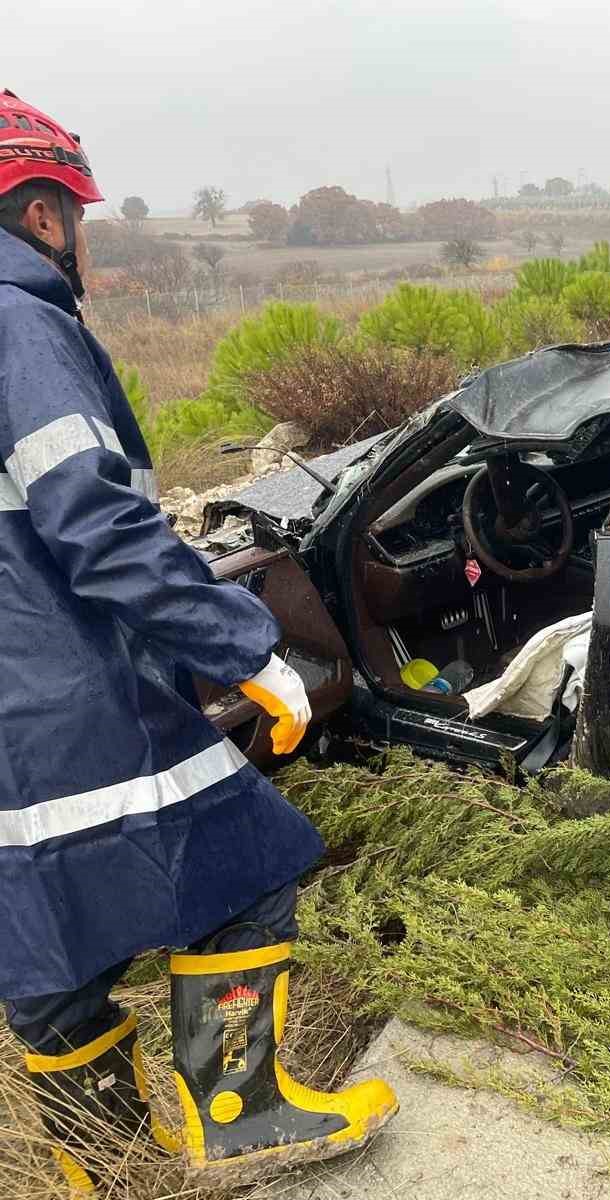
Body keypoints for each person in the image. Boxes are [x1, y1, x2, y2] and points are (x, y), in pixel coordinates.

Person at [0, 89, 396, 1194]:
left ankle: (95, 1163)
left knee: (43, 935)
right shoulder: (17, 321)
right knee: (244, 864)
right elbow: (96, 519)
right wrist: (244, 647)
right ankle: (243, 1115)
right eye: (75, 219)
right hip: (64, 700)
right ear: (43, 216)